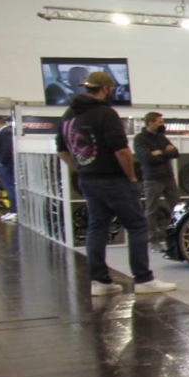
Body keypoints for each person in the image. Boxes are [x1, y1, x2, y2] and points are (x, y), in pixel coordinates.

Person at [55, 71, 176, 297]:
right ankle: (143, 278)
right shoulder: (106, 113)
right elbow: (122, 151)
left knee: (96, 228)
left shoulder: (68, 115)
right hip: (113, 179)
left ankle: (100, 281)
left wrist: (81, 169)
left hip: (88, 180)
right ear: (105, 89)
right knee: (137, 225)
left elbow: (62, 151)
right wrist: (131, 177)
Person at [133, 111, 181, 250]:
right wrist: (165, 153)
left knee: (177, 207)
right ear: (151, 123)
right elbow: (147, 158)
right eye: (160, 122)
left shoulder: (161, 137)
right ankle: (153, 240)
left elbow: (175, 153)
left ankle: (176, 236)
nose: (162, 125)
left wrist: (159, 152)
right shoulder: (140, 139)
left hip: (168, 177)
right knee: (151, 210)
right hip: (152, 179)